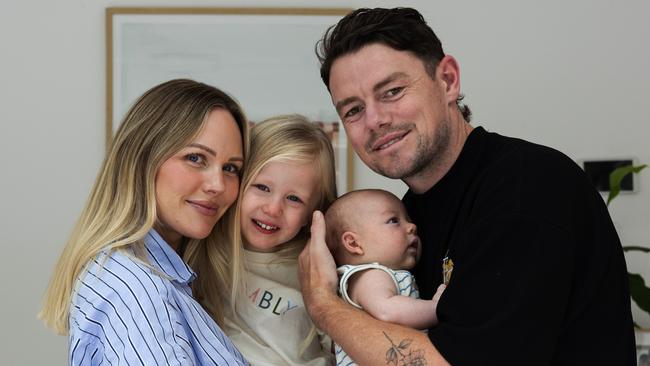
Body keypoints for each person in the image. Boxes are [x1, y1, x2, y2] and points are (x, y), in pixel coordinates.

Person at [298, 7, 636, 365]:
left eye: (392, 91)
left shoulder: (529, 186)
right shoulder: (407, 216)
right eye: (352, 110)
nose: (376, 120)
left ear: (448, 80)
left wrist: (323, 304)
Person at [39, 79, 249, 365]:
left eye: (230, 168)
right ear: (143, 159)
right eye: (196, 158)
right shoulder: (141, 291)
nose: (218, 185)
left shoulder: (130, 274)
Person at [222, 114, 337, 365]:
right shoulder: (209, 251)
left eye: (294, 199)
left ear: (313, 213)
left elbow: (341, 341)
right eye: (262, 187)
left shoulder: (314, 267)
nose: (273, 209)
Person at [325, 189, 446, 366]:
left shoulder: (383, 274)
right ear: (353, 243)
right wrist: (437, 308)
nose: (412, 227)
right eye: (393, 221)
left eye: (408, 220)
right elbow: (387, 311)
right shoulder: (368, 275)